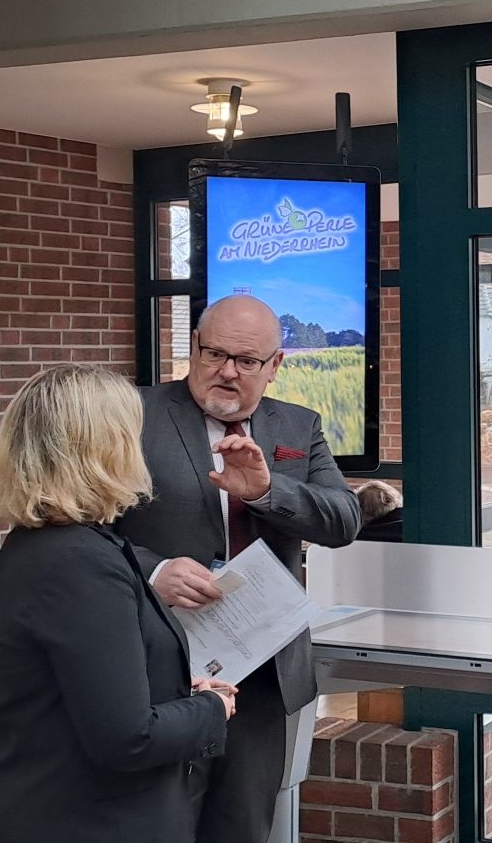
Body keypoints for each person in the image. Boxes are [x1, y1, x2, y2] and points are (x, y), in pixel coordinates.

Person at [0, 364, 236, 843]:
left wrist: (176, 689)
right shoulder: (80, 564)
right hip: (67, 817)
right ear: (103, 449)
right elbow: (128, 738)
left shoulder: (51, 544)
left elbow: (82, 685)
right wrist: (210, 709)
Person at [116, 294, 362, 843]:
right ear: (194, 347)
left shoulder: (297, 426)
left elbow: (344, 520)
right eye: (215, 354)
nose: (227, 371)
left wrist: (268, 491)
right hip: (157, 666)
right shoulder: (133, 415)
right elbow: (86, 527)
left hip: (260, 672)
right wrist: (152, 572)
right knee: (153, 822)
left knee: (242, 825)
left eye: (247, 361)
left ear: (275, 365)